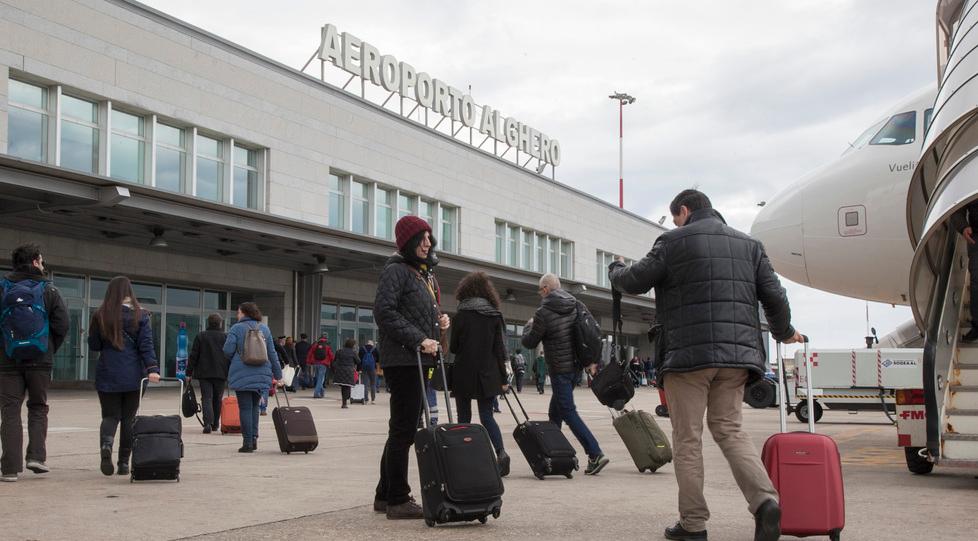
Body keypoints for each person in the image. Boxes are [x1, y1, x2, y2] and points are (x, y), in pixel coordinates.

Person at [608, 189, 803, 541]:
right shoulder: (750, 245)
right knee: (729, 430)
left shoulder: (672, 241)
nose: (677, 223)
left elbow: (635, 280)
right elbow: (775, 296)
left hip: (688, 358)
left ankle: (693, 524)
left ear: (683, 211)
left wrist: (616, 269)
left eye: (677, 217)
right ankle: (764, 502)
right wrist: (784, 331)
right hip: (737, 359)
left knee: (688, 438)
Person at [372, 215, 449, 520]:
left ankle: (384, 494)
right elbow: (385, 313)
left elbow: (414, 311)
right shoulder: (397, 271)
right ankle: (398, 499)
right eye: (422, 238)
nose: (428, 243)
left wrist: (440, 321)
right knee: (404, 431)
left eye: (430, 238)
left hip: (416, 359)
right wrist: (420, 339)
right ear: (408, 242)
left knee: (400, 429)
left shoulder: (422, 274)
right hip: (404, 360)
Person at [521, 273, 609, 476]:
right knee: (555, 413)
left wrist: (528, 325)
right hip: (575, 368)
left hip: (560, 369)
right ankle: (553, 453)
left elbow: (530, 342)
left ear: (545, 289)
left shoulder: (543, 312)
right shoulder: (576, 304)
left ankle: (595, 453)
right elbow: (588, 331)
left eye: (540, 290)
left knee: (568, 411)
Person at [0, 244, 69, 482]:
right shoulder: (48, 289)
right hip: (40, 360)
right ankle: (36, 457)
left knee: (10, 411)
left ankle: (9, 469)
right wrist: (48, 349)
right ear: (36, 261)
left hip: (8, 360)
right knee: (38, 407)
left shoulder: (2, 288)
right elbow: (62, 325)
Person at [88, 276, 161, 476]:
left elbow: (94, 345)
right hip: (133, 374)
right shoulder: (141, 315)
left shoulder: (100, 315)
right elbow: (146, 345)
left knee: (110, 416)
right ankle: (123, 463)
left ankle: (106, 447)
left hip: (107, 372)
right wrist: (153, 369)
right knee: (129, 419)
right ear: (130, 291)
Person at [450, 271, 511, 477]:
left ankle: (464, 458)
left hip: (464, 372)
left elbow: (454, 347)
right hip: (488, 374)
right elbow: (501, 349)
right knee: (487, 416)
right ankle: (501, 454)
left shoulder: (460, 315)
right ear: (487, 292)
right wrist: (504, 378)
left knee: (463, 417)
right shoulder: (494, 315)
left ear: (465, 290)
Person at [223, 302, 283, 453]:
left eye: (238, 312)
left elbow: (227, 350)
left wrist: (236, 356)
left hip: (241, 371)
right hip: (262, 372)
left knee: (244, 407)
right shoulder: (264, 328)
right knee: (255, 407)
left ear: (244, 313)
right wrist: (278, 375)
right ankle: (254, 439)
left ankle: (247, 442)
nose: (237, 315)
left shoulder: (236, 328)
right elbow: (272, 353)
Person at [187, 313, 228, 434]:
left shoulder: (201, 336)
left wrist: (188, 372)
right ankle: (216, 424)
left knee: (206, 398)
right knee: (218, 398)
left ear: (208, 323)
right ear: (220, 323)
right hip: (221, 372)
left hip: (204, 373)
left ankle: (208, 423)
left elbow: (194, 355)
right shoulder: (226, 337)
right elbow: (230, 355)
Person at [956, 202, 978, 342]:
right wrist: (963, 227)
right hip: (976, 236)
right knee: (976, 281)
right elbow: (957, 208)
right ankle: (977, 326)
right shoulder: (970, 180)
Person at [332, 338, 360, 408]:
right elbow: (358, 361)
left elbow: (334, 361)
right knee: (347, 386)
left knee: (344, 387)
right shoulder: (353, 352)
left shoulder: (339, 351)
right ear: (352, 345)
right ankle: (346, 399)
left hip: (340, 370)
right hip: (349, 370)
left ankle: (344, 403)